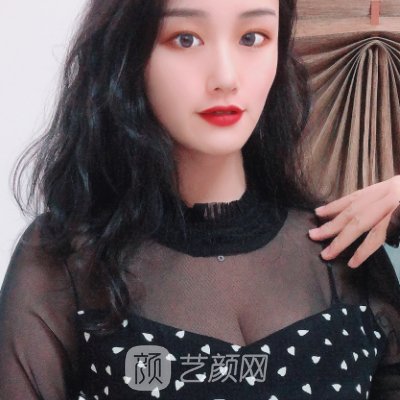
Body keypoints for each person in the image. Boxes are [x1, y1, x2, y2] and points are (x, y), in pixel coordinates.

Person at [0, 0, 399, 399]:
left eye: (252, 38)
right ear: (128, 52)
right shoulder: (65, 264)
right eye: (186, 39)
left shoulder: (346, 252)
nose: (225, 77)